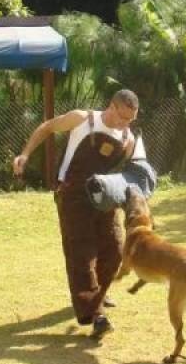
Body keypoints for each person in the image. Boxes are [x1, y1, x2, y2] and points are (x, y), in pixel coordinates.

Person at [12, 89, 155, 339]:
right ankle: (96, 314)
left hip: (104, 198)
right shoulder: (82, 119)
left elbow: (132, 173)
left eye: (131, 120)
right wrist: (24, 154)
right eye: (122, 118)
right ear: (111, 107)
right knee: (82, 254)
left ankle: (97, 293)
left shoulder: (129, 137)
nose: (125, 125)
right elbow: (46, 127)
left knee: (114, 249)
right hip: (73, 196)